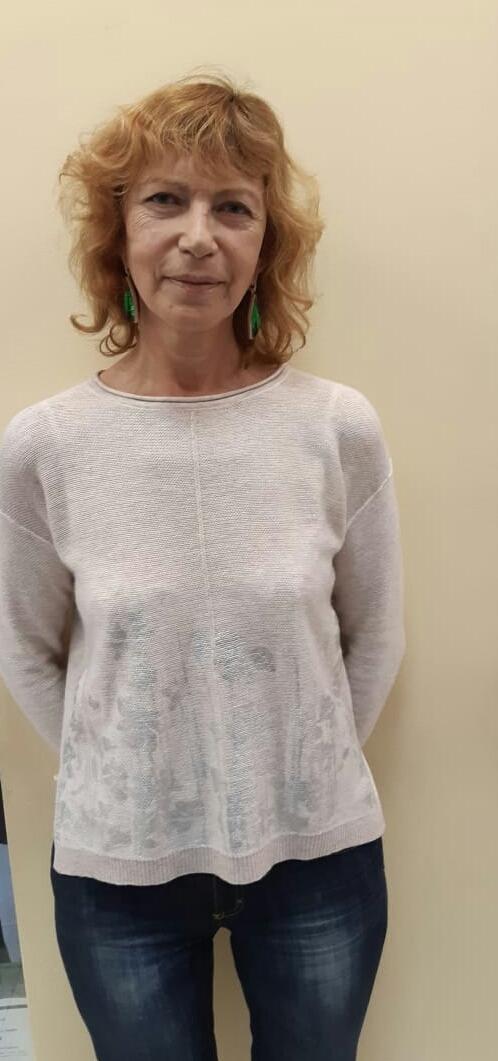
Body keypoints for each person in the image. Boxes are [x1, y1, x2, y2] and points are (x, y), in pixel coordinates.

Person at [0, 70, 406, 1060]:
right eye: (165, 200)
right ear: (119, 232)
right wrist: (123, 770)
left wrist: (293, 770)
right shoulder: (45, 446)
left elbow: (374, 635)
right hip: (117, 874)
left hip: (319, 861)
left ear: (266, 244)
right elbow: (27, 648)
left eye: (233, 207)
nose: (198, 236)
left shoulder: (335, 428)